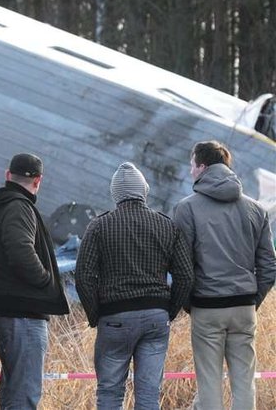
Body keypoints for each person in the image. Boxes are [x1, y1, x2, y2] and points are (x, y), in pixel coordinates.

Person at [75, 162, 195, 409]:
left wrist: (96, 314)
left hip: (114, 318)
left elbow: (84, 276)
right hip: (155, 318)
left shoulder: (99, 226)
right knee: (149, 395)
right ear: (144, 191)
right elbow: (185, 275)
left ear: (115, 193)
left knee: (110, 393)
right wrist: (168, 310)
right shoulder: (166, 225)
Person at [173, 141, 276, 409]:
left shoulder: (187, 208)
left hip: (207, 306)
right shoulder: (256, 209)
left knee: (209, 384)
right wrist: (253, 299)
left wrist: (189, 303)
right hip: (244, 307)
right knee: (244, 383)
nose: (191, 171)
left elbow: (181, 264)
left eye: (192, 165)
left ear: (203, 166)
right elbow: (269, 265)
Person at [0, 153, 69, 409]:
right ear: (38, 181)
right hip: (23, 312)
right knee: (25, 391)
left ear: (8, 175)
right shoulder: (19, 207)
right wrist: (44, 279)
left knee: (14, 388)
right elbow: (20, 249)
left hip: (4, 306)